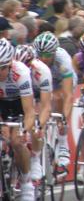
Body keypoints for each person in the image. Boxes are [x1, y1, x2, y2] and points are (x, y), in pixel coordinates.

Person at [33, 32, 76, 167]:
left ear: (54, 52)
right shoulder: (32, 57)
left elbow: (68, 95)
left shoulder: (62, 59)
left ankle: (63, 143)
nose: (43, 58)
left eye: (47, 55)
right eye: (41, 55)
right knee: (39, 108)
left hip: (60, 82)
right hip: (41, 82)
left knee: (58, 97)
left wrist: (64, 119)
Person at [0, 39, 36, 200]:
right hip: (2, 104)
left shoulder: (20, 72)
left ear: (10, 64)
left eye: (2, 68)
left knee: (16, 142)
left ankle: (27, 183)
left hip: (18, 104)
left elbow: (29, 111)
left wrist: (24, 131)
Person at [14, 45, 53, 182]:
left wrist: (40, 126)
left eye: (27, 65)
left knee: (35, 126)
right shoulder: (15, 72)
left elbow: (46, 106)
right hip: (20, 94)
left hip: (37, 93)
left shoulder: (42, 71)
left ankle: (36, 156)